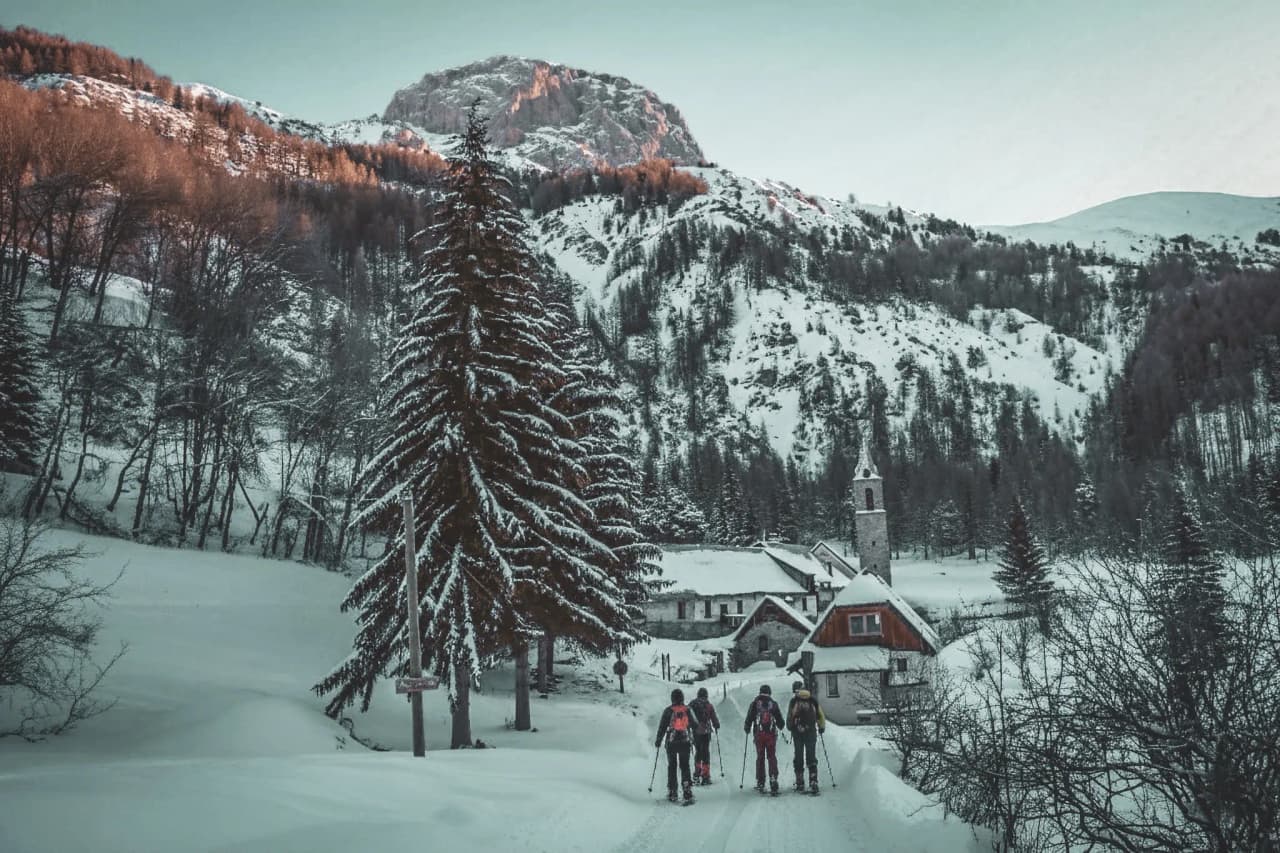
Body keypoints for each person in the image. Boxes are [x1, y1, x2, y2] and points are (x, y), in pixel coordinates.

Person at [655, 688, 702, 803]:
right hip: (685, 742)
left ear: (672, 698)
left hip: (671, 743)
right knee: (685, 766)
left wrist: (658, 740)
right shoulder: (688, 709)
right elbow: (696, 725)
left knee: (672, 766)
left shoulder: (668, 711)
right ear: (682, 698)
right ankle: (687, 790)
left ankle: (673, 791)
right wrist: (695, 740)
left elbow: (662, 727)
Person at [786, 679, 827, 792]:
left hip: (797, 733)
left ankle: (800, 782)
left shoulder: (794, 701)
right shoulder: (812, 700)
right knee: (811, 756)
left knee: (798, 756)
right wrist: (821, 727)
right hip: (811, 732)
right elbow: (820, 715)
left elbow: (790, 717)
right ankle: (813, 780)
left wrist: (790, 727)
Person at [742, 684, 784, 794]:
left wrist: (747, 728)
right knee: (771, 756)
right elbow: (781, 722)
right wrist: (780, 725)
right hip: (771, 735)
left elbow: (749, 718)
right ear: (769, 692)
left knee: (760, 757)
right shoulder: (773, 704)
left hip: (759, 735)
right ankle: (773, 778)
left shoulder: (755, 703)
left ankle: (761, 782)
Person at [688, 686, 721, 785]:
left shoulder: (692, 704)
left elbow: (687, 715)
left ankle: (697, 775)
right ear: (706, 695)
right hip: (706, 732)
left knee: (698, 752)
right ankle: (705, 776)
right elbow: (714, 718)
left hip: (696, 732)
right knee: (705, 753)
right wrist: (716, 725)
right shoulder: (708, 705)